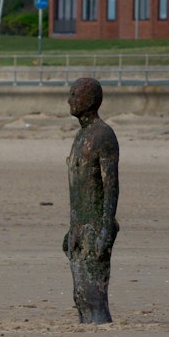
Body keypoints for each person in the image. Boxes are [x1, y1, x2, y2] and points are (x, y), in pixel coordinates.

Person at [64, 76, 120, 324]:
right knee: (80, 295)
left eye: (75, 95)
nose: (70, 100)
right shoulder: (81, 136)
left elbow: (111, 185)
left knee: (94, 295)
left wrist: (107, 227)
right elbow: (77, 188)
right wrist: (72, 227)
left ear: (90, 100)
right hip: (79, 227)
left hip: (96, 226)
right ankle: (86, 336)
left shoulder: (103, 135)